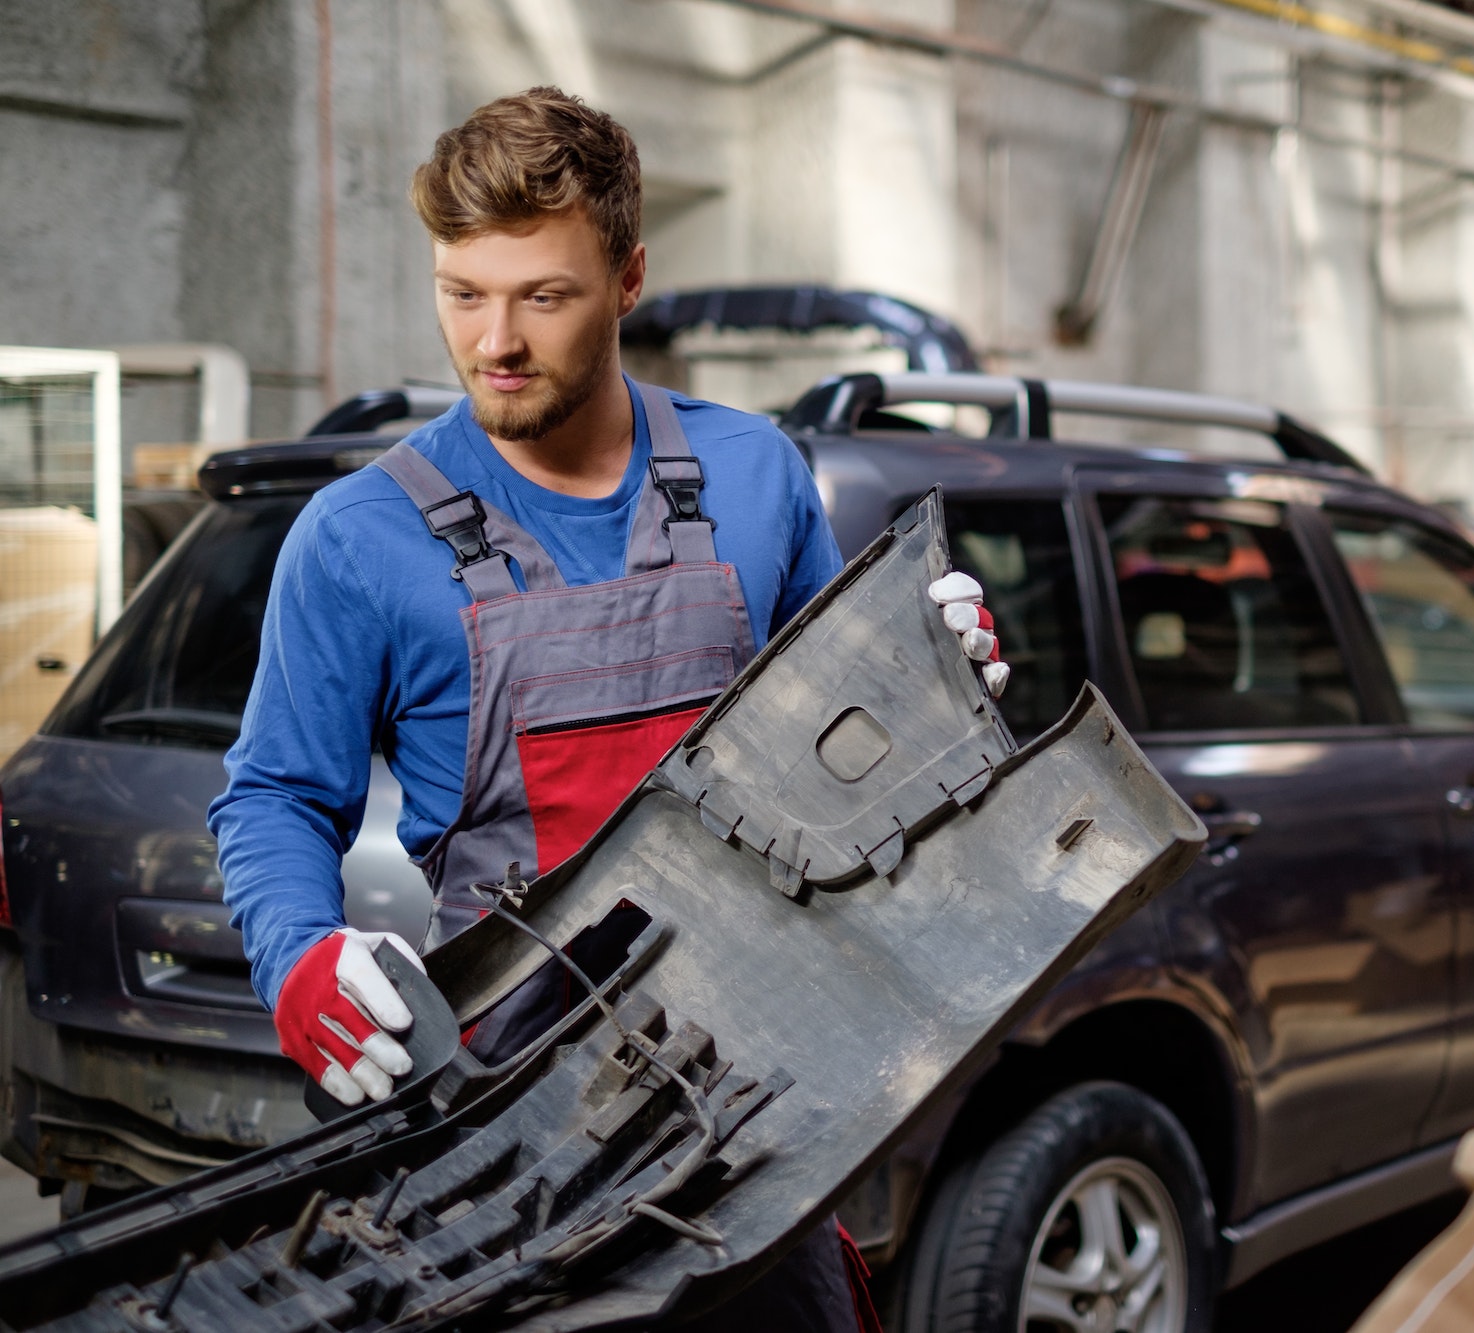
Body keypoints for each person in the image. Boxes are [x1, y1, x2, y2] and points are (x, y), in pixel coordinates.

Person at [210, 87, 1001, 1331]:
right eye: (462, 292)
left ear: (628, 279)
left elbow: (845, 738)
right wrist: (298, 957)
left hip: (765, 1081)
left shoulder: (751, 475)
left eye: (543, 294)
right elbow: (272, 796)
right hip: (513, 1109)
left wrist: (930, 668)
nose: (494, 341)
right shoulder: (359, 538)